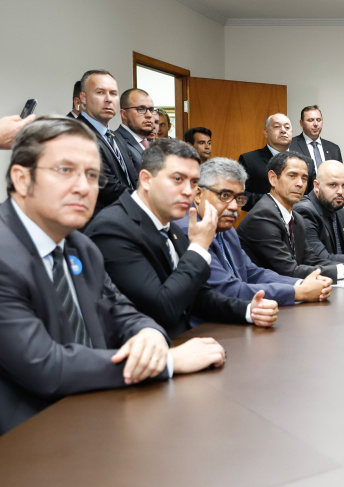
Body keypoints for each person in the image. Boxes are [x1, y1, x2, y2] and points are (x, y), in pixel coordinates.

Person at [0, 116, 226, 434]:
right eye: (65, 170)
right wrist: (166, 362)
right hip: (26, 436)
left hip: (99, 410)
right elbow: (43, 366)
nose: (83, 187)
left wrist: (149, 335)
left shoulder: (80, 245)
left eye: (92, 175)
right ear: (22, 179)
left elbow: (121, 311)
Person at [86, 139, 279, 338]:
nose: (189, 191)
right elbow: (163, 308)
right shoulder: (114, 228)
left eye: (194, 182)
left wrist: (248, 311)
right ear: (146, 180)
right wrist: (199, 248)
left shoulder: (169, 226)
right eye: (178, 179)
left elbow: (197, 296)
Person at [176, 157, 333, 305]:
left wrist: (302, 283)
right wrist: (298, 292)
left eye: (239, 198)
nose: (233, 207)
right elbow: (227, 289)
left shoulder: (226, 228)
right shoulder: (189, 231)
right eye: (224, 195)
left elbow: (252, 272)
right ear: (198, 195)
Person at [238, 151, 344, 281]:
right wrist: (343, 271)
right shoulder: (263, 216)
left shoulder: (296, 217)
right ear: (273, 178)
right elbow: (289, 270)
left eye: (304, 178)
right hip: (262, 292)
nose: (300, 184)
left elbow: (310, 259)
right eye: (292, 176)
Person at [76, 69, 138, 215]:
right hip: (101, 222)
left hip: (129, 217)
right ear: (83, 98)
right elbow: (106, 187)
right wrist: (148, 200)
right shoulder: (78, 134)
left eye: (113, 93)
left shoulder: (115, 137)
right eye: (100, 92)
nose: (108, 99)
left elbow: (133, 178)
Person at [238, 113, 294, 211]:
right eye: (276, 127)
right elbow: (239, 195)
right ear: (266, 132)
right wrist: (273, 202)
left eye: (287, 127)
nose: (283, 130)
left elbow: (312, 196)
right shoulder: (249, 160)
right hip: (264, 217)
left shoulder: (306, 162)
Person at [289, 105, 342, 174]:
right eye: (310, 120)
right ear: (301, 123)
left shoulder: (334, 149)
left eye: (318, 120)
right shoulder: (291, 145)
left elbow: (340, 175)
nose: (316, 124)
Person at [114, 88, 156, 170]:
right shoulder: (115, 143)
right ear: (124, 114)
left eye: (151, 110)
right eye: (141, 109)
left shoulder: (152, 144)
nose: (149, 115)